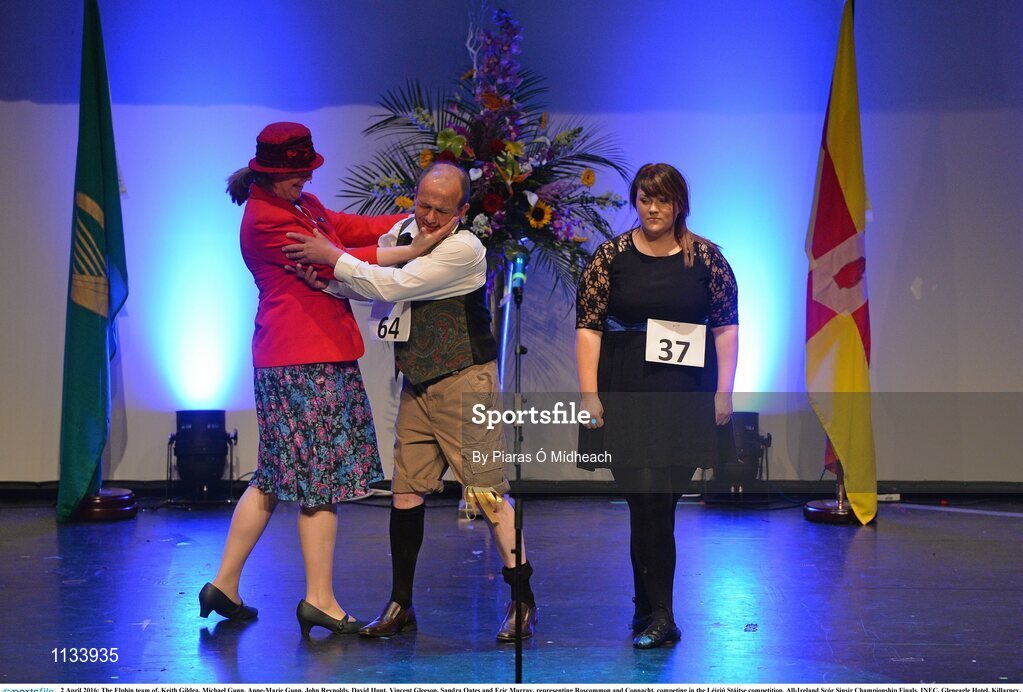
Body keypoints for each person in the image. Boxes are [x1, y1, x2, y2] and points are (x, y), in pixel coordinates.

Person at [199, 122, 447, 637]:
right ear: (269, 172)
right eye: (297, 173)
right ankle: (319, 599)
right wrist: (412, 250)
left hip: (294, 357)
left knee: (274, 476)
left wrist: (414, 221)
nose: (306, 180)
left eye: (308, 171)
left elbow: (345, 226)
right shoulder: (270, 219)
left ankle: (224, 584)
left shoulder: (299, 205)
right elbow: (341, 261)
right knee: (320, 483)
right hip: (305, 360)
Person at [282, 162, 538, 642]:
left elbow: (393, 284)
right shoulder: (405, 231)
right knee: (405, 493)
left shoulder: (464, 248)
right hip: (418, 383)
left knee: (486, 494)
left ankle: (523, 600)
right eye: (424, 205)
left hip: (465, 381)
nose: (429, 217)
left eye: (442, 210)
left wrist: (332, 256)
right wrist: (330, 283)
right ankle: (401, 604)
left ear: (462, 211)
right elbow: (375, 285)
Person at [575, 162, 739, 649]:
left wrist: (724, 391)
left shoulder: (707, 259)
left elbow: (726, 328)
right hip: (627, 392)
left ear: (679, 204)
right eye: (645, 199)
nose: (652, 208)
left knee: (660, 503)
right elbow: (589, 329)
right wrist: (589, 394)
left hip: (685, 397)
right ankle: (657, 611)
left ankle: (652, 607)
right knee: (643, 500)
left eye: (662, 200)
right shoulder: (610, 257)